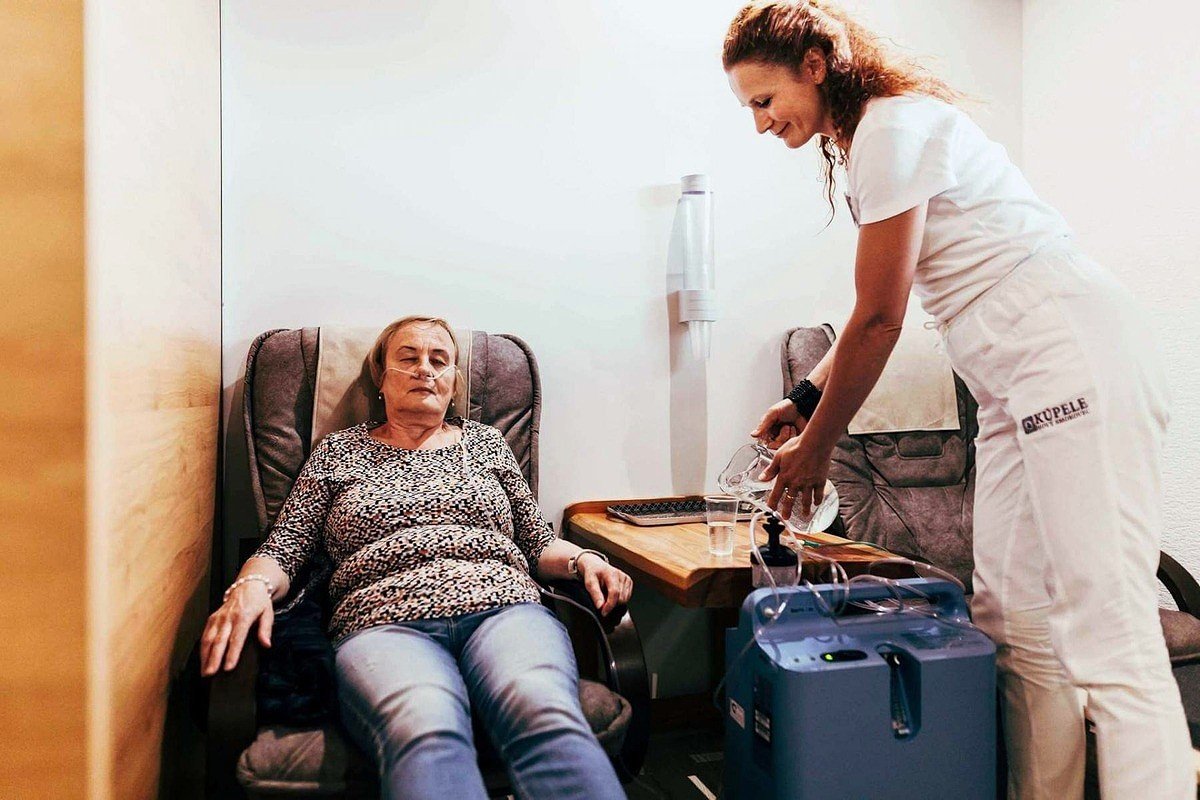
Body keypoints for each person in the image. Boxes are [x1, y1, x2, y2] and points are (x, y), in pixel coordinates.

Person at [723, 2, 1190, 798]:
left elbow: (880, 316)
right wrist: (805, 396)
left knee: (1108, 628)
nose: (761, 123)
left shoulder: (892, 127)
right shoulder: (871, 139)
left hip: (1071, 358)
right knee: (1013, 618)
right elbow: (883, 303)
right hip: (1008, 388)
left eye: (765, 100)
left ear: (814, 66)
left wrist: (819, 445)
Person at [200, 315, 631, 800]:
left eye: (439, 360)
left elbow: (537, 539)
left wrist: (584, 560)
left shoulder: (487, 444)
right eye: (408, 358)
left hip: (507, 611)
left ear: (453, 384)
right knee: (423, 728)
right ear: (380, 380)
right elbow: (285, 545)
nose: (425, 368)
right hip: (381, 624)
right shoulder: (336, 452)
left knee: (543, 713)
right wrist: (249, 587)